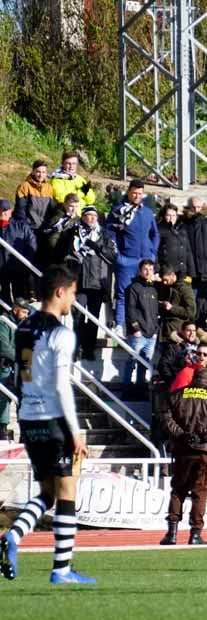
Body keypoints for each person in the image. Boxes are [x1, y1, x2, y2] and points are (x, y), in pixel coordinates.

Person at [1, 265, 94, 584]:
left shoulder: (24, 327)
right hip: (53, 418)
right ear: (59, 291)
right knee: (67, 490)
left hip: (28, 416)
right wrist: (76, 429)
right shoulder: (62, 333)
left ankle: (13, 536)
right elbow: (61, 385)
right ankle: (62, 570)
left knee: (47, 493)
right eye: (72, 292)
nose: (73, 298)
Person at [158, 367, 207, 546]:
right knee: (200, 493)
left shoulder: (176, 395)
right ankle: (195, 534)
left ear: (192, 378)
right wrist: (203, 436)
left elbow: (165, 418)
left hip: (182, 449)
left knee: (178, 490)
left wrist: (182, 434)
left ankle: (172, 534)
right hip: (204, 451)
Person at [58, 205, 116, 360]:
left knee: (93, 319)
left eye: (94, 216)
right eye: (88, 215)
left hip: (97, 283)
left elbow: (112, 256)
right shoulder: (74, 232)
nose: (91, 218)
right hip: (79, 282)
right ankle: (77, 348)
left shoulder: (103, 234)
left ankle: (89, 349)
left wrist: (98, 247)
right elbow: (65, 252)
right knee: (78, 317)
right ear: (83, 217)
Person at [108, 179, 159, 333]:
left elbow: (154, 233)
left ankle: (144, 326)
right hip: (126, 259)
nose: (137, 196)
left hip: (145, 260)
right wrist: (118, 254)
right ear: (129, 192)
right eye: (134, 193)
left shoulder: (147, 212)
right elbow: (111, 233)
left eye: (140, 193)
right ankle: (119, 324)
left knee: (145, 293)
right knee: (123, 292)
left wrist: (152, 253)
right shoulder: (118, 211)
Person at [123, 259, 159, 399]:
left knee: (144, 364)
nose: (148, 272)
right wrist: (136, 329)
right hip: (138, 334)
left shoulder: (154, 289)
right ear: (140, 270)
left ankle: (140, 390)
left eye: (151, 269)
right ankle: (127, 390)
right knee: (132, 362)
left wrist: (155, 331)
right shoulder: (133, 288)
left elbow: (155, 312)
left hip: (151, 334)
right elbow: (131, 310)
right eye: (145, 269)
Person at [0, 198, 38, 302]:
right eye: (0, 210)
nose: (2, 213)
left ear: (10, 211)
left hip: (18, 269)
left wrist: (25, 261)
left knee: (20, 298)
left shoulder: (21, 226)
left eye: (5, 210)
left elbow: (31, 243)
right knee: (4, 297)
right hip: (1, 270)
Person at [157, 203, 195, 280]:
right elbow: (155, 252)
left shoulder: (182, 229)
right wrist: (156, 271)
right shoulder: (159, 230)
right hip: (167, 272)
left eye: (174, 215)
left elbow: (188, 251)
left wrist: (191, 273)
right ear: (164, 216)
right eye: (168, 215)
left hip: (182, 272)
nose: (171, 218)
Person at [14, 159, 55, 230]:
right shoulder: (24, 186)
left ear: (46, 174)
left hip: (44, 228)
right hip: (30, 228)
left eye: (43, 172)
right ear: (33, 172)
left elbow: (51, 209)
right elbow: (20, 210)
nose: (41, 175)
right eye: (38, 172)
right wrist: (25, 227)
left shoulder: (49, 188)